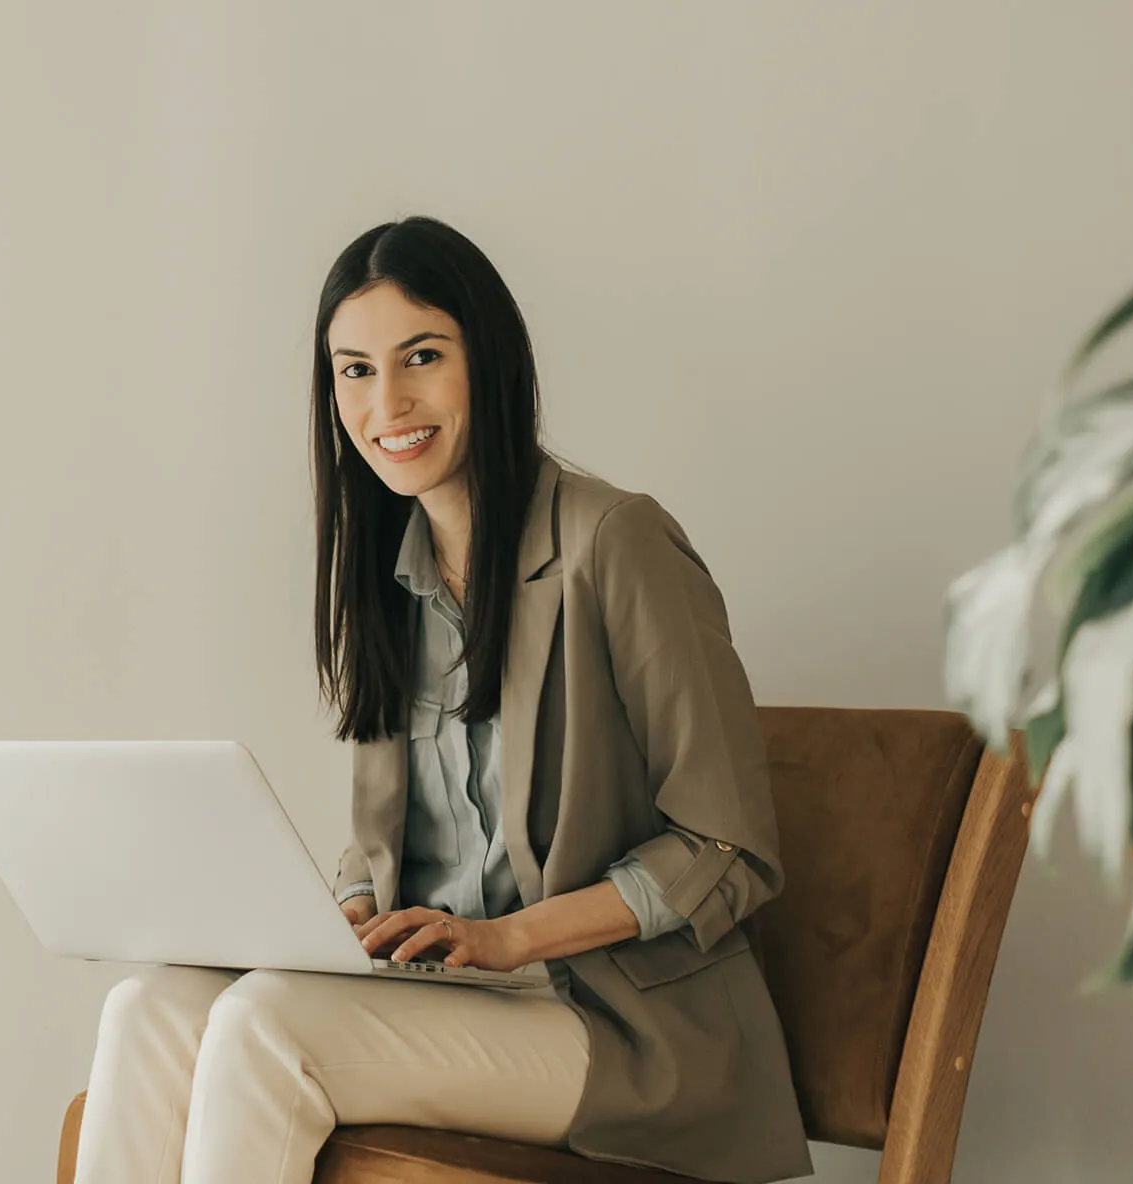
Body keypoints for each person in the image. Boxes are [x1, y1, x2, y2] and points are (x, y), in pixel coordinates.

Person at [68, 217, 811, 1184]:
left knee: (263, 1025)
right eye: (355, 370)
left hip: (615, 1021)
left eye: (421, 356)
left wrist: (506, 939)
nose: (388, 403)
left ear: (487, 360)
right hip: (444, 994)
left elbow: (726, 845)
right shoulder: (389, 573)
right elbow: (391, 842)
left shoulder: (614, 542)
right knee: (148, 1008)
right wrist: (344, 910)